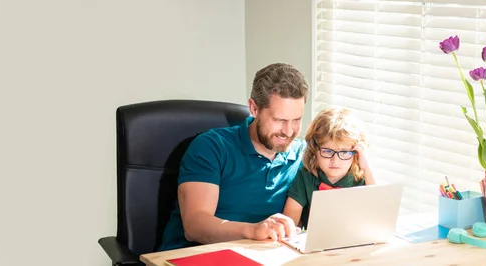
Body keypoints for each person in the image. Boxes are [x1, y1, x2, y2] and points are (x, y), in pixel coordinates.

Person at [157, 63, 309, 251]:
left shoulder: (303, 155)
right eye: (279, 120)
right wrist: (253, 230)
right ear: (254, 109)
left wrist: (357, 164)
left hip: (262, 257)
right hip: (193, 257)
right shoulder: (211, 147)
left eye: (296, 120)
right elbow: (195, 226)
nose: (288, 131)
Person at [282, 107, 376, 229]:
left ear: (356, 154)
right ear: (314, 150)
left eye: (344, 152)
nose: (335, 160)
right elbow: (289, 222)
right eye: (327, 151)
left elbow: (376, 213)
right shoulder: (305, 176)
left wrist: (366, 168)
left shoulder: (362, 178)